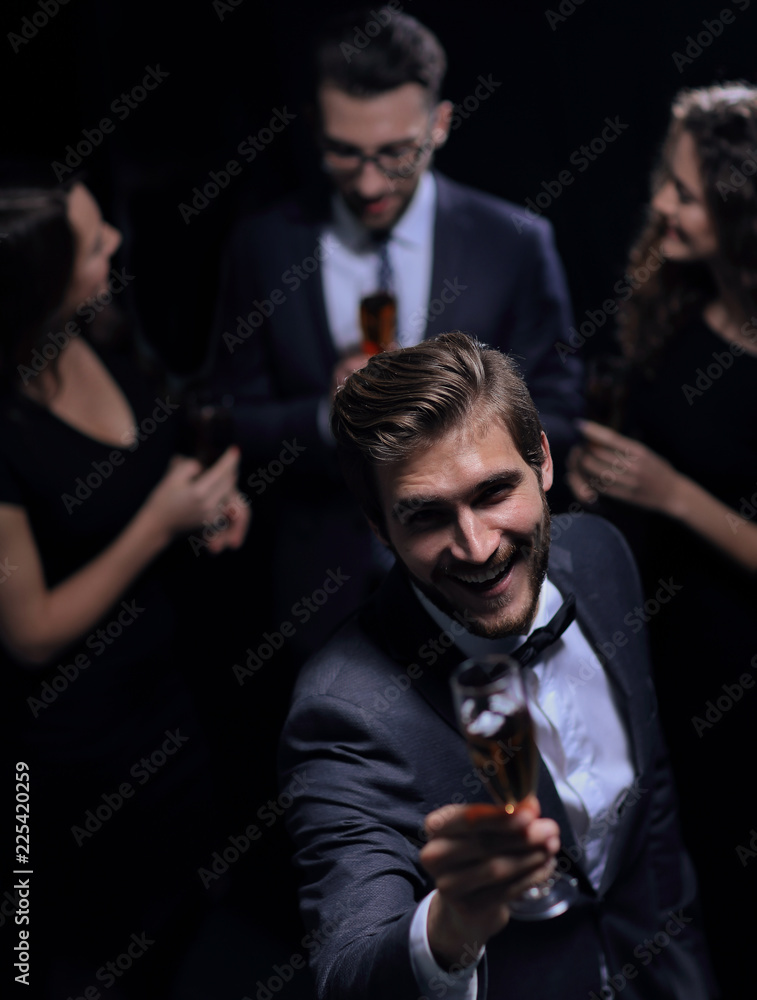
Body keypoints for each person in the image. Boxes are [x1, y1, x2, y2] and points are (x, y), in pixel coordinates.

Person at [279, 331, 716, 1000]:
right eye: (426, 516)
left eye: (491, 492)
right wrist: (451, 925)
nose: (477, 547)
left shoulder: (600, 556)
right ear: (378, 528)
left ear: (540, 460)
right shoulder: (342, 708)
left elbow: (650, 808)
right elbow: (346, 972)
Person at [209, 7, 582, 661]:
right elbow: (233, 419)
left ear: (438, 125)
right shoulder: (264, 245)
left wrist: (458, 430)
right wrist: (327, 418)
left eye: (394, 153)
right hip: (322, 595)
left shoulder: (515, 242)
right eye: (343, 153)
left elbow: (558, 411)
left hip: (485, 581)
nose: (370, 181)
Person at [0, 180, 249, 996]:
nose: (113, 238)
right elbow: (27, 630)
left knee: (180, 932)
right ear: (40, 281)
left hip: (166, 713)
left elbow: (148, 472)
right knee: (66, 963)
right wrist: (159, 521)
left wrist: (210, 509)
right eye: (91, 240)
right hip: (71, 758)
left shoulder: (92, 336)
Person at [566, 83, 757, 995]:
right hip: (665, 655)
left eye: (684, 194)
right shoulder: (676, 298)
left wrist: (672, 494)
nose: (660, 206)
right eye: (664, 183)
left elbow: (679, 483)